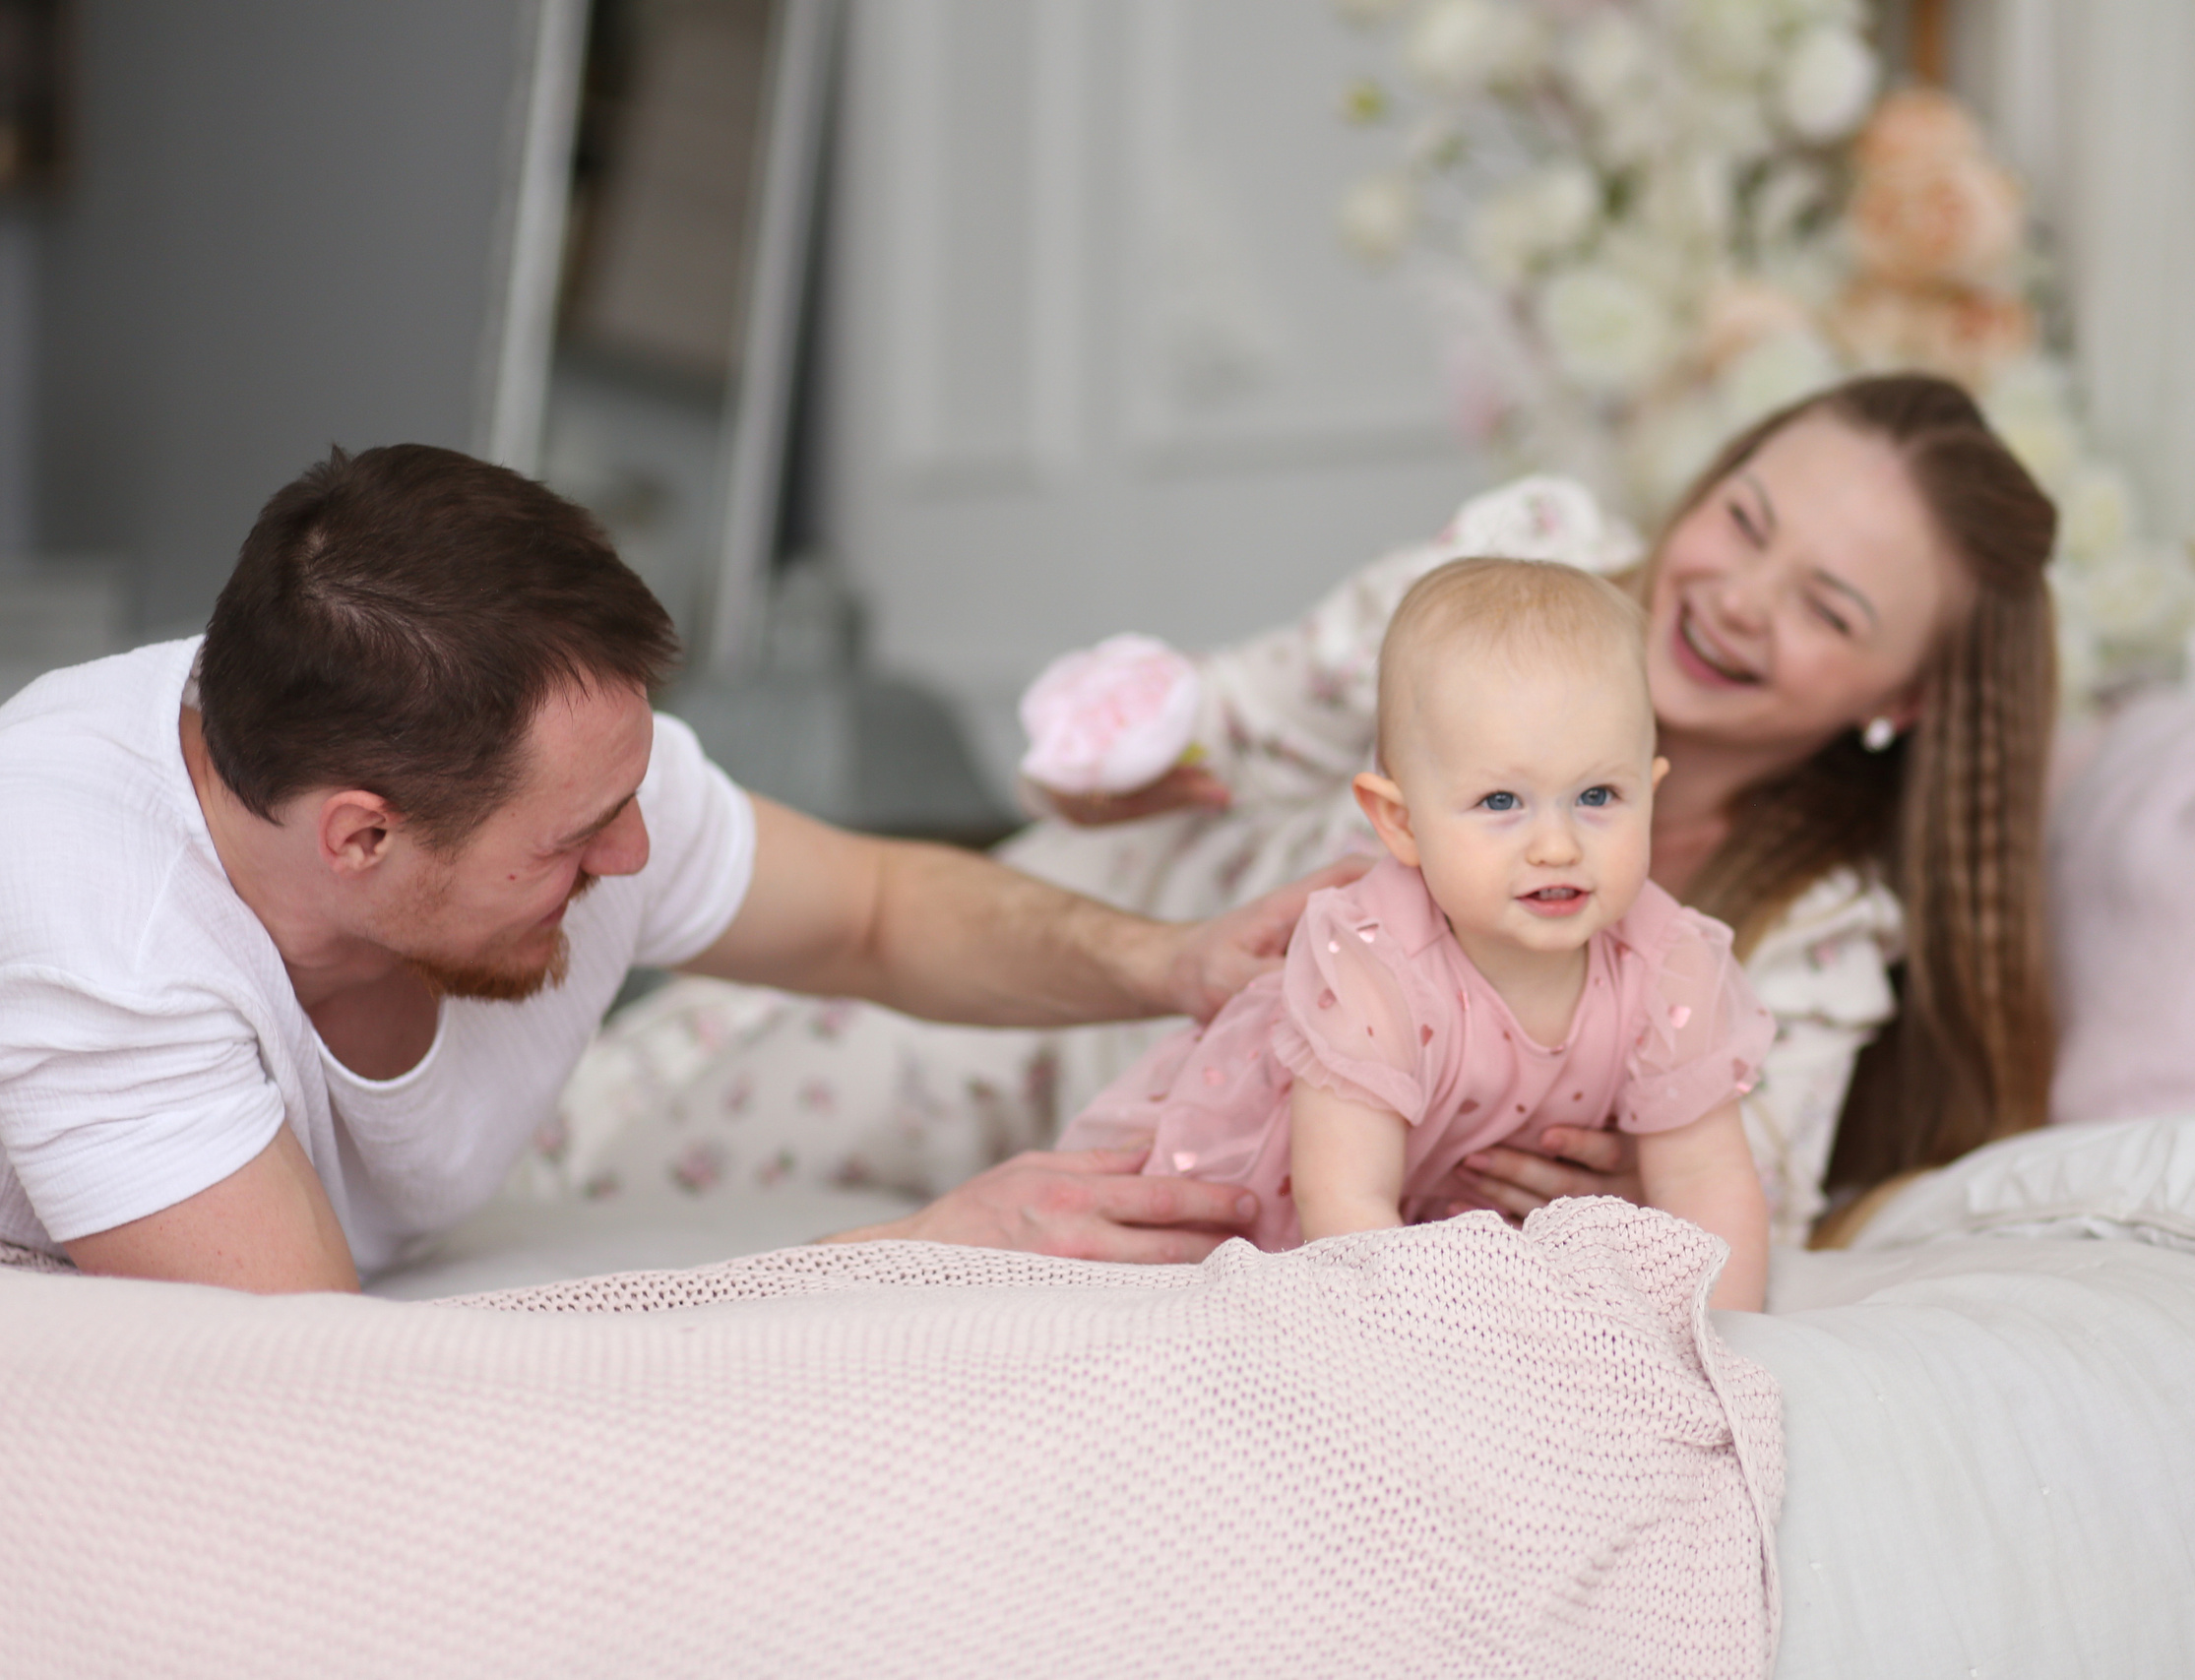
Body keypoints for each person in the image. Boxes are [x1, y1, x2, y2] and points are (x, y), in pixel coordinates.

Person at [555, 373, 2057, 1248]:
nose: (1736, 593)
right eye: (1746, 516)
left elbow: (1757, 1191)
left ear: (1903, 701)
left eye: (1827, 605)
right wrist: (1139, 743)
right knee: (604, 1153)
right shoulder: (1518, 580)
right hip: (1125, 948)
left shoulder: (1807, 926)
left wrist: (1645, 1177)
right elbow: (1255, 699)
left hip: (1248, 1179)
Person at [0, 444, 1358, 1292]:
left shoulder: (550, 766)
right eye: (579, 836)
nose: (638, 854)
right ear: (360, 836)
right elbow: (345, 1389)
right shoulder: (91, 936)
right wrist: (912, 1256)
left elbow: (877, 915)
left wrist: (1163, 959)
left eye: (631, 790)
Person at [1062, 560, 1776, 1305]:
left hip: (1445, 1235)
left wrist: (1726, 1349)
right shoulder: (1374, 957)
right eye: (1501, 800)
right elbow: (1344, 1203)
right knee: (1145, 1295)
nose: (1558, 845)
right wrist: (1429, 1357)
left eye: (1599, 795)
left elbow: (1707, 1182)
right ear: (1400, 822)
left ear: (1650, 796)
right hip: (1281, 1216)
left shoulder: (1669, 961)